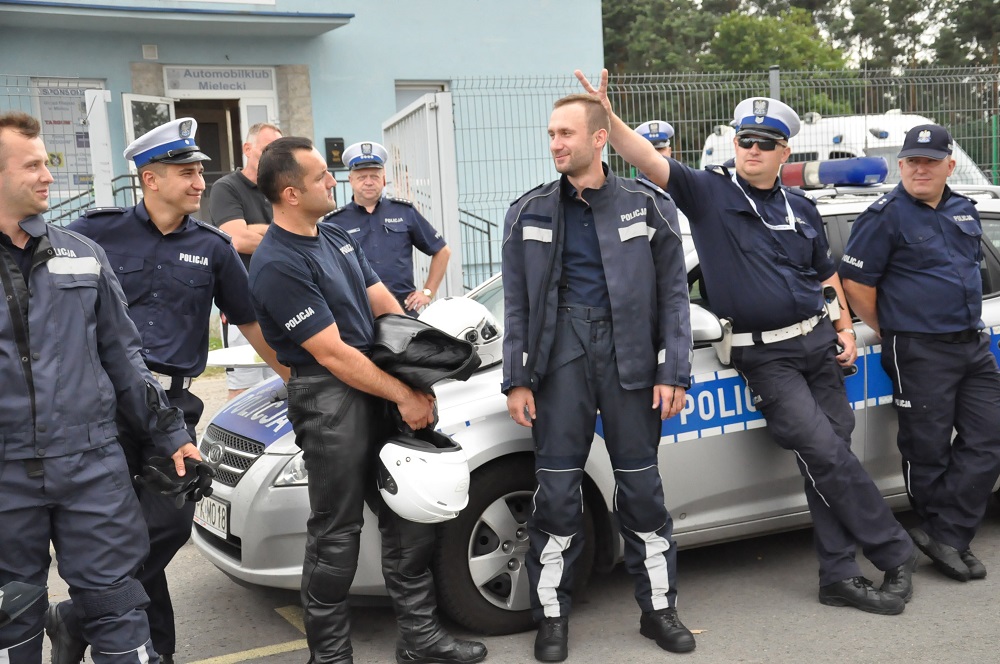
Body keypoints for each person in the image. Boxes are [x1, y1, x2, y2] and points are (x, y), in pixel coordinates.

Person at [575, 69, 918, 615]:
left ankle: (838, 575)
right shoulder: (708, 194)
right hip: (767, 356)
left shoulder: (801, 207)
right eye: (743, 139)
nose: (751, 149)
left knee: (824, 460)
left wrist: (845, 327)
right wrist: (605, 116)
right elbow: (646, 159)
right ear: (734, 143)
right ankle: (894, 550)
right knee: (825, 451)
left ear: (784, 151)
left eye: (764, 143)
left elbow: (824, 276)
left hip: (817, 346)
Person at [47, 117, 288, 664]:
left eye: (201, 170)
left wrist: (299, 384)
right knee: (123, 535)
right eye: (186, 171)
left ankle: (78, 615)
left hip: (171, 410)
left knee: (168, 523)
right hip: (100, 407)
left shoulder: (214, 247)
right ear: (149, 180)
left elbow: (254, 325)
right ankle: (155, 653)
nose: (200, 181)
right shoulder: (93, 233)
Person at [249, 136, 486, 664]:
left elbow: (382, 304)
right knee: (336, 535)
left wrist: (422, 371)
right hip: (330, 401)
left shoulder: (334, 237)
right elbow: (331, 354)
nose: (331, 180)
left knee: (408, 519)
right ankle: (330, 656)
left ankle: (420, 641)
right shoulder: (276, 263)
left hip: (378, 380)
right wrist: (403, 394)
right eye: (318, 178)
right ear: (290, 193)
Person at [0, 111, 199, 664]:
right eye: (33, 165)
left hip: (92, 468)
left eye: (47, 163)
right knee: (9, 615)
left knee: (118, 608)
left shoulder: (82, 254)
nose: (48, 176)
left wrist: (170, 435)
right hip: (5, 474)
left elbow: (124, 357)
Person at [503, 94, 695, 661]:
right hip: (559, 361)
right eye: (551, 134)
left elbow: (675, 297)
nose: (556, 143)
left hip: (631, 362)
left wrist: (673, 371)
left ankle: (659, 610)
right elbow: (516, 305)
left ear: (598, 138)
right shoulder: (526, 211)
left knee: (641, 492)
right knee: (557, 496)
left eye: (566, 133)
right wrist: (517, 378)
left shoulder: (648, 205)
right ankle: (553, 617)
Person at [839, 124, 1000, 583]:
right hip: (919, 349)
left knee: (990, 440)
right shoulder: (884, 216)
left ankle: (945, 533)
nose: (920, 169)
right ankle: (949, 537)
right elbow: (856, 285)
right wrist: (893, 329)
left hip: (972, 343)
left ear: (950, 165)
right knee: (927, 451)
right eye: (912, 161)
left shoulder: (962, 209)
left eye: (930, 161)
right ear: (901, 166)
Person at [323, 141, 451, 315]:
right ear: (351, 180)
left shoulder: (404, 211)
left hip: (403, 310)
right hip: (359, 315)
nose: (368, 182)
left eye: (374, 176)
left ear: (383, 180)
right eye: (362, 177)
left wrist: (427, 292)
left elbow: (442, 251)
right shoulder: (334, 222)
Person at [209, 122, 283, 398]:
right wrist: (281, 236)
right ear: (247, 149)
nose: (273, 158)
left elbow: (304, 233)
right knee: (243, 389)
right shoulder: (226, 188)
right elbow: (237, 240)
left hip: (282, 302)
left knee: (282, 383)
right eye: (266, 149)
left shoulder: (279, 188)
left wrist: (257, 230)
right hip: (243, 305)